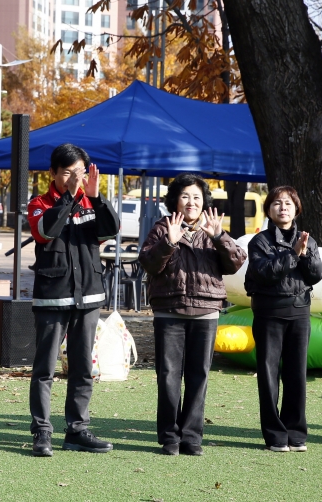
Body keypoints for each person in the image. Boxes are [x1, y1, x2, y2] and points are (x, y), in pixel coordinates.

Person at [139, 173, 246, 456]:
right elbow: (148, 264)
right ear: (175, 200)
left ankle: (191, 437)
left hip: (206, 311)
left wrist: (219, 237)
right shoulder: (162, 228)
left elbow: (236, 263)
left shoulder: (213, 228)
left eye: (197, 197)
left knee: (199, 375)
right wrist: (169, 242)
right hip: (169, 310)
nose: (191, 202)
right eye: (185, 196)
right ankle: (169, 437)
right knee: (168, 375)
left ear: (204, 202)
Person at [27, 143, 120, 457]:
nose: (75, 178)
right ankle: (42, 432)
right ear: (53, 173)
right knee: (44, 369)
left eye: (80, 172)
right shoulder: (39, 203)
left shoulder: (91, 201)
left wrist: (96, 198)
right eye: (68, 172)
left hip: (88, 295)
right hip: (52, 297)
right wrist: (69, 197)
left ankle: (77, 430)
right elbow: (45, 232)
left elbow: (110, 231)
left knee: (82, 368)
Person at [244, 186, 322, 452]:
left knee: (297, 375)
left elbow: (317, 274)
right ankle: (275, 435)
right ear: (269, 210)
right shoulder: (259, 242)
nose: (283, 208)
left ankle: (296, 433)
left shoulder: (307, 240)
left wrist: (304, 253)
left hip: (299, 311)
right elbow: (264, 273)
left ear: (296, 209)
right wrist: (292, 254)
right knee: (268, 375)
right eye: (277, 203)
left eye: (288, 204)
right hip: (268, 313)